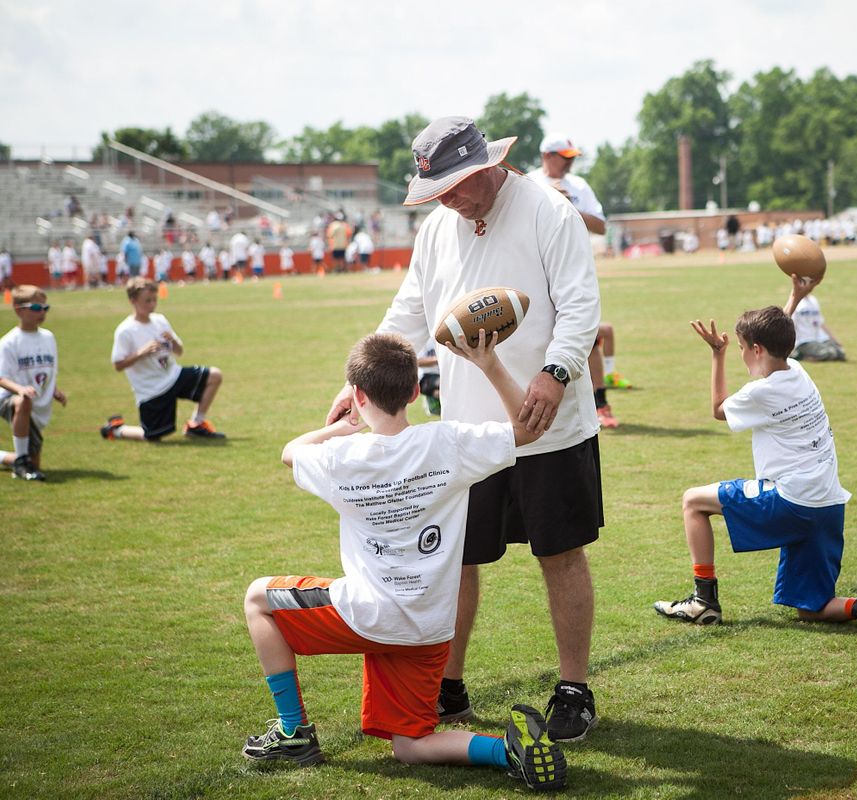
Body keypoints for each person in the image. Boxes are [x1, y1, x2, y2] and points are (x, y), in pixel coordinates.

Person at [325, 116, 603, 742]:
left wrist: (555, 374)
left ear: (484, 167)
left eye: (453, 186)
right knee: (455, 559)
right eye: (436, 189)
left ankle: (573, 688)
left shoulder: (547, 211)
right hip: (466, 430)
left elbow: (581, 304)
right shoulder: (437, 231)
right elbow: (406, 316)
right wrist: (357, 381)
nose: (446, 199)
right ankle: (446, 682)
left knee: (559, 552)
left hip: (548, 423)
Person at [240, 331, 567, 790]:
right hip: (429, 629)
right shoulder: (449, 444)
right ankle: (505, 748)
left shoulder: (339, 457)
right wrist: (489, 362)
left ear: (357, 395)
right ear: (416, 391)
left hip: (366, 616)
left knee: (258, 598)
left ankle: (293, 732)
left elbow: (290, 452)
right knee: (410, 744)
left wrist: (338, 426)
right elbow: (529, 429)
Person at [653, 308, 857, 642]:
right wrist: (793, 299)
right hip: (828, 505)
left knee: (693, 502)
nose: (740, 353)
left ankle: (703, 600)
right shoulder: (798, 370)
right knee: (810, 608)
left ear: (756, 350)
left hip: (791, 502)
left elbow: (717, 409)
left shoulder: (761, 393)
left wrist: (717, 354)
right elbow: (774, 340)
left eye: (741, 347)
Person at [527, 133, 625, 428]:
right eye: (564, 157)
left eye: (572, 158)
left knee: (589, 338)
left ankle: (601, 404)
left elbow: (599, 224)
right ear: (547, 156)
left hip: (574, 273)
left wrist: (568, 206)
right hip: (537, 276)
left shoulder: (579, 186)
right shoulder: (529, 184)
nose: (570, 163)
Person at [100, 277, 225, 442]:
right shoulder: (125, 331)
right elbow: (118, 365)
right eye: (147, 301)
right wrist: (141, 353)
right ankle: (116, 429)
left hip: (174, 375)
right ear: (133, 301)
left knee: (215, 375)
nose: (152, 304)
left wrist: (172, 340)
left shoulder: (160, 321)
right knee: (152, 436)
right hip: (152, 389)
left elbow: (179, 351)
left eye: (154, 300)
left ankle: (196, 424)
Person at [0, 286, 67, 481]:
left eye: (46, 308)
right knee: (23, 401)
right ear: (18, 309)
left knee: (34, 463)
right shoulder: (9, 342)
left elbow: (44, 372)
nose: (42, 312)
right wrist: (20, 390)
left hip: (33, 398)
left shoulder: (48, 337)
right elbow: (1, 378)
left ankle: (12, 458)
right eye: (37, 307)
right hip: (9, 397)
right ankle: (20, 463)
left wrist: (54, 390)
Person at [784, 274, 845, 361]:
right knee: (829, 353)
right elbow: (790, 325)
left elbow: (821, 323)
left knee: (840, 353)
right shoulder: (795, 302)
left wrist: (834, 339)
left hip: (818, 339)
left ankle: (810, 354)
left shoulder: (813, 300)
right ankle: (800, 356)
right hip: (804, 341)